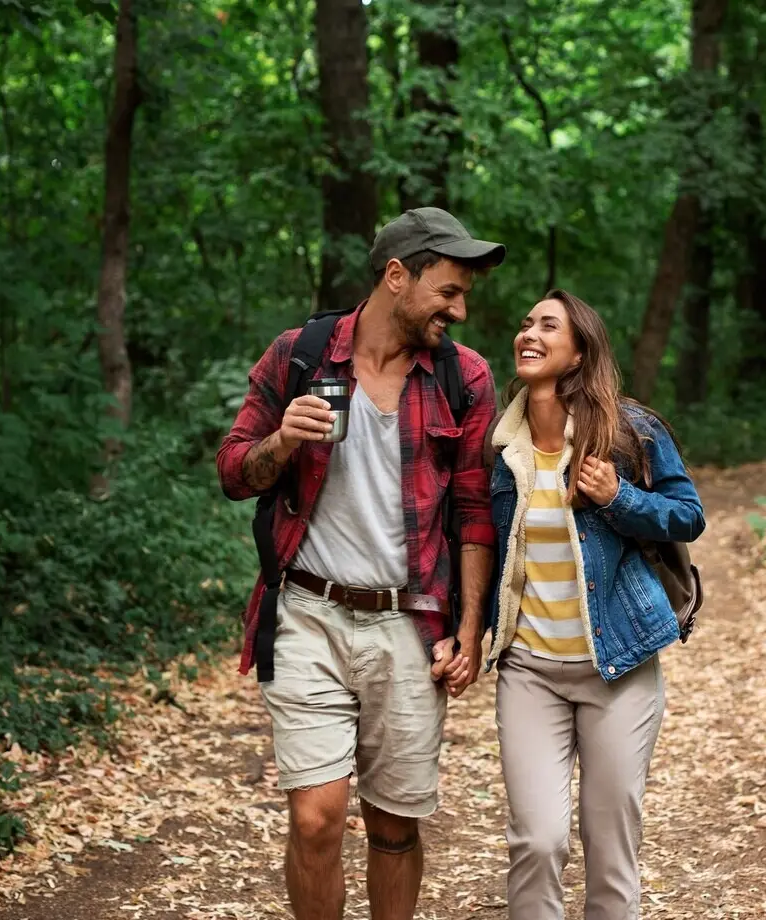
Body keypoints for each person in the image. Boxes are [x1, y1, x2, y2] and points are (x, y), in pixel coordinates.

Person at [217, 208, 504, 920]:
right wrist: (282, 440)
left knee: (394, 824)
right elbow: (232, 472)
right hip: (307, 614)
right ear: (396, 276)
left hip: (408, 625)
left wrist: (470, 628)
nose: (459, 310)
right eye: (448, 291)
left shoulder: (464, 378)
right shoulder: (299, 355)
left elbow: (473, 512)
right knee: (316, 816)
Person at [467, 289, 705, 920]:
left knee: (610, 848)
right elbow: (476, 544)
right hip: (530, 672)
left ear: (577, 355)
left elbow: (688, 517)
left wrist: (618, 497)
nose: (529, 333)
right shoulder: (499, 447)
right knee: (538, 841)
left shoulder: (630, 432)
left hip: (619, 668)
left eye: (549, 325)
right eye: (525, 323)